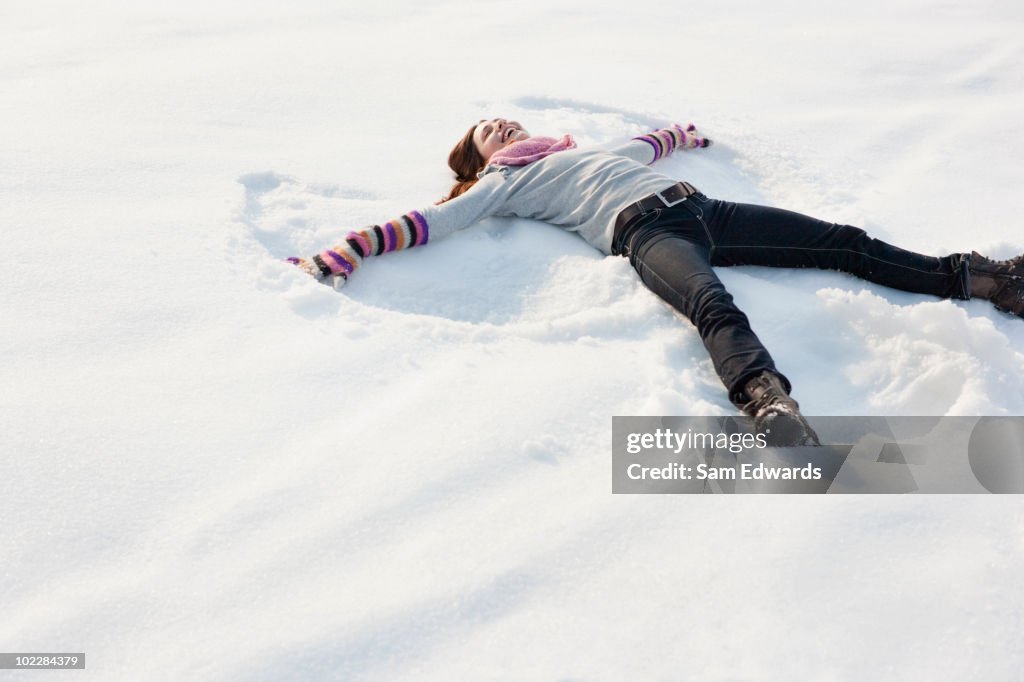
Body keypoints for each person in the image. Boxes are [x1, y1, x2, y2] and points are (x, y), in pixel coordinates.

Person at [289, 117, 1024, 446]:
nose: (499, 123)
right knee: (711, 304)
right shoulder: (499, 186)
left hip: (704, 208)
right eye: (484, 128)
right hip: (648, 233)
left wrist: (683, 135)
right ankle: (767, 404)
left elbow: (650, 143)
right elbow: (427, 223)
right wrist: (346, 252)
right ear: (476, 159)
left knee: (841, 242)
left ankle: (980, 281)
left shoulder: (587, 148)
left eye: (502, 117)